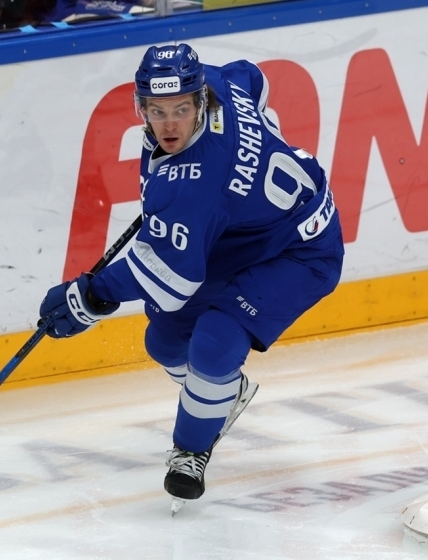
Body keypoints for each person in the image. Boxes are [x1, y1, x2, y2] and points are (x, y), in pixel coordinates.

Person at [39, 43, 344, 504]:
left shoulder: (194, 186)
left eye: (181, 110)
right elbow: (253, 77)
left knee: (213, 344)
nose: (170, 125)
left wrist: (91, 296)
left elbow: (170, 280)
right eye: (157, 111)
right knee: (164, 342)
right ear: (141, 107)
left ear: (200, 102)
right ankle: (223, 394)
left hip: (300, 249)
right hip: (238, 236)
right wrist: (257, 151)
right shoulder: (217, 80)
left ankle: (190, 451)